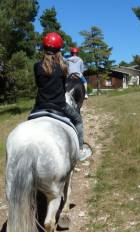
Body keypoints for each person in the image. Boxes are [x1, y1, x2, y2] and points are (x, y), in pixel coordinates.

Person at [31, 32, 90, 161]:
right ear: (59, 49)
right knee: (78, 121)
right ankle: (80, 151)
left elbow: (38, 85)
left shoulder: (36, 66)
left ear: (44, 48)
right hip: (59, 106)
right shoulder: (63, 67)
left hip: (39, 106)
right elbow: (63, 88)